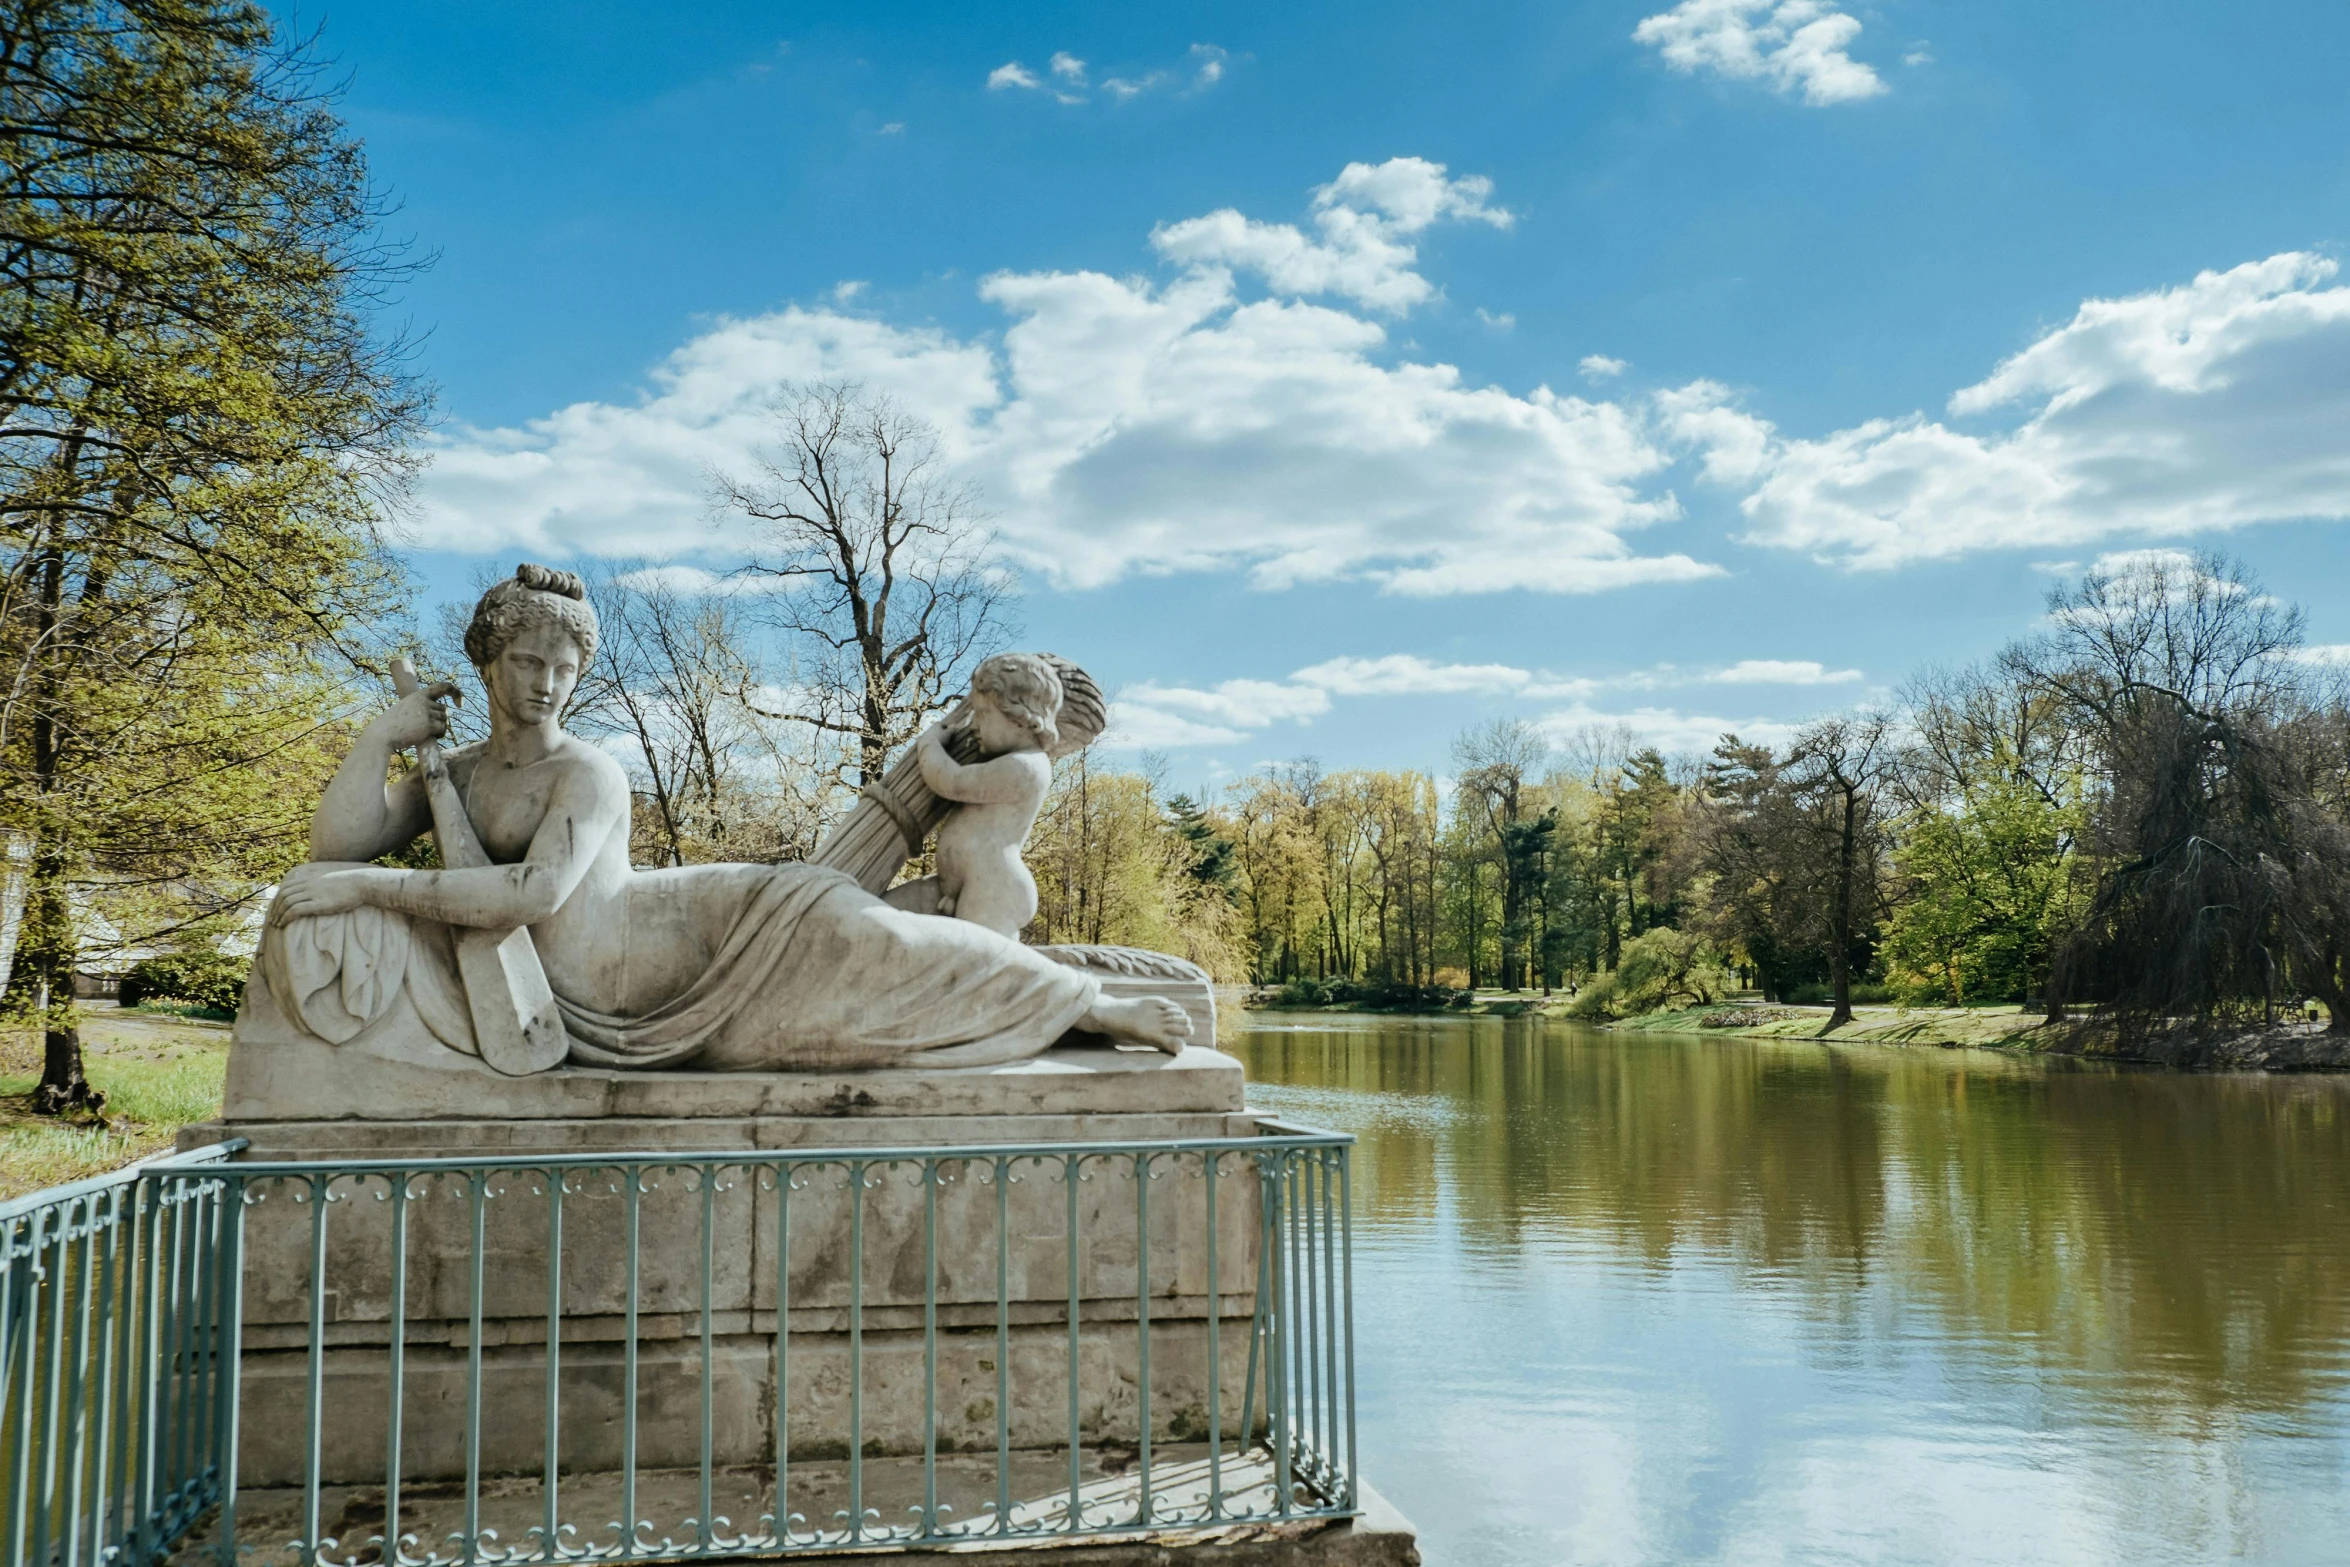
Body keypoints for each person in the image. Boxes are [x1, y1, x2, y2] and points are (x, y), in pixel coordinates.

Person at [262, 565, 1190, 1069]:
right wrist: (384, 733)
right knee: (886, 951)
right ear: (488, 661)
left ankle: (1089, 1006)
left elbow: (536, 890)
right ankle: (1068, 991)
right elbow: (333, 850)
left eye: (563, 668)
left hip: (706, 938)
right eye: (524, 663)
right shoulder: (456, 775)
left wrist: (375, 887)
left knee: (884, 952)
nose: (544, 683)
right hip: (614, 985)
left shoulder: (586, 772)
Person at [891, 653, 1061, 938]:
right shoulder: (1008, 760)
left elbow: (952, 782)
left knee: (981, 970)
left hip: (993, 888)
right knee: (884, 916)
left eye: (982, 714)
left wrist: (929, 743)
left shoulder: (1025, 767)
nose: (973, 725)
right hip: (952, 885)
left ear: (1019, 717)